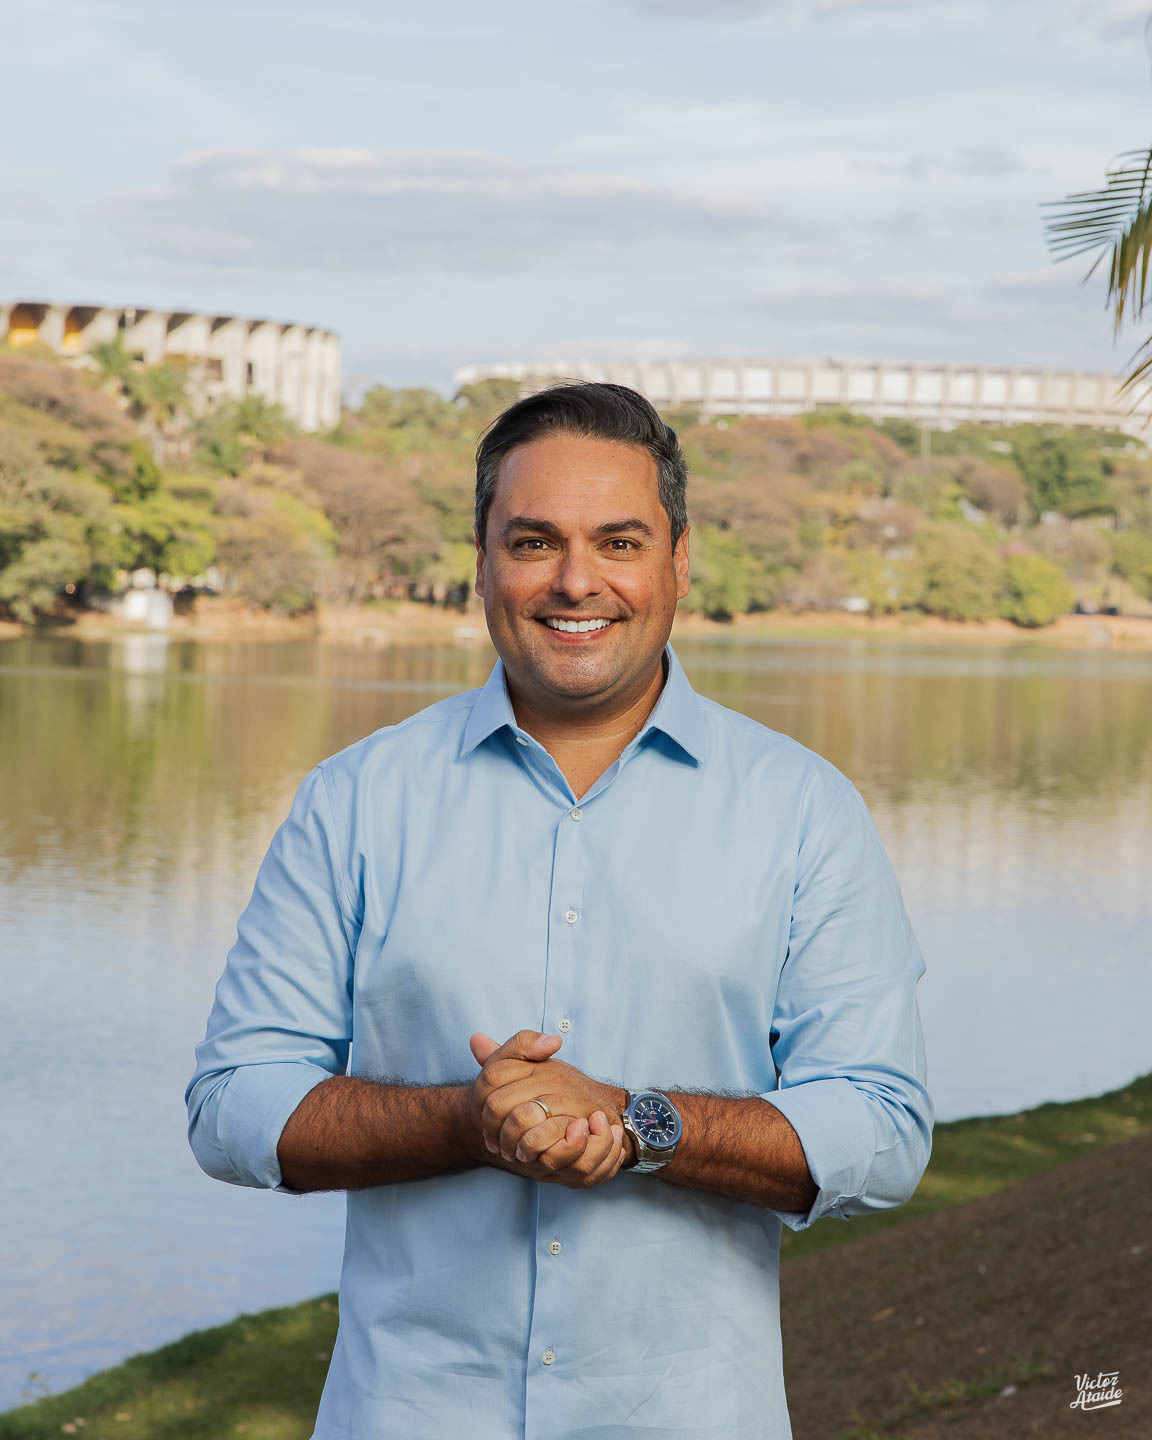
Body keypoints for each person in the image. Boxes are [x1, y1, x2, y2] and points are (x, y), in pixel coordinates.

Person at [186, 382, 933, 1439]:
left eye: (618, 541)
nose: (576, 581)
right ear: (483, 561)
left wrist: (639, 1126)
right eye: (534, 541)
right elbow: (233, 1101)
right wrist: (465, 1124)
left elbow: (884, 1128)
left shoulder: (803, 812)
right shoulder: (357, 801)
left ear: (679, 559)